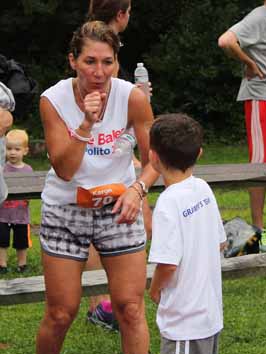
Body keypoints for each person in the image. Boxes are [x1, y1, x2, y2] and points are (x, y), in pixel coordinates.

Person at [28, 20, 158, 354]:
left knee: (130, 307)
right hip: (66, 208)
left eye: (107, 62)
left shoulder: (133, 98)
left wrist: (138, 189)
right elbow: (65, 169)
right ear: (73, 61)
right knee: (61, 311)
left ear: (118, 63)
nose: (99, 72)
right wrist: (86, 124)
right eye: (89, 61)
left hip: (119, 205)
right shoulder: (53, 100)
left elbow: (155, 161)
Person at [148, 113, 226, 354]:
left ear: (153, 157)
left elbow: (167, 264)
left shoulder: (168, 202)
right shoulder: (203, 189)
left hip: (184, 323)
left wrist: (155, 290)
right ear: (200, 154)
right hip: (209, 315)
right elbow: (220, 241)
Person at [85, 0, 152, 330]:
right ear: (121, 13)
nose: (100, 68)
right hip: (100, 152)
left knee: (106, 221)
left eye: (107, 62)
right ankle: (101, 302)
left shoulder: (93, 43)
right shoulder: (101, 45)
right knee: (97, 221)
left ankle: (110, 300)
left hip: (115, 148)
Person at [218, 0, 266, 252]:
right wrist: (250, 64)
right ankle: (259, 234)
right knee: (261, 165)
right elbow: (226, 41)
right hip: (262, 98)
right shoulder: (260, 16)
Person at [0, 129, 33, 274]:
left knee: (21, 242)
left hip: (21, 215)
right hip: (2, 214)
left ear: (25, 151)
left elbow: (31, 190)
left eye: (17, 149)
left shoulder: (28, 170)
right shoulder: (2, 169)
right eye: (9, 149)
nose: (12, 152)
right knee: (2, 241)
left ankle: (22, 264)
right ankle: (2, 264)